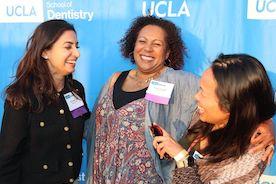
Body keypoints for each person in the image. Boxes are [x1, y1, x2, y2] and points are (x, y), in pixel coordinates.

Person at [84, 16, 274, 184]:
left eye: (157, 44)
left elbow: (239, 101)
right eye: (142, 41)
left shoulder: (182, 83)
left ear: (168, 53)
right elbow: (91, 126)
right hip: (104, 173)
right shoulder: (115, 79)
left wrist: (266, 123)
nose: (147, 48)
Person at [153, 54, 276, 183]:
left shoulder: (251, 156)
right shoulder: (208, 118)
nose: (196, 97)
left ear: (230, 105)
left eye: (203, 93)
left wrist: (181, 157)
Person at [0, 19, 90, 184]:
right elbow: (7, 160)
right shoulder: (22, 97)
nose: (77, 53)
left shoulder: (76, 90)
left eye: (76, 46)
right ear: (45, 51)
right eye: (68, 46)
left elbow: (85, 125)